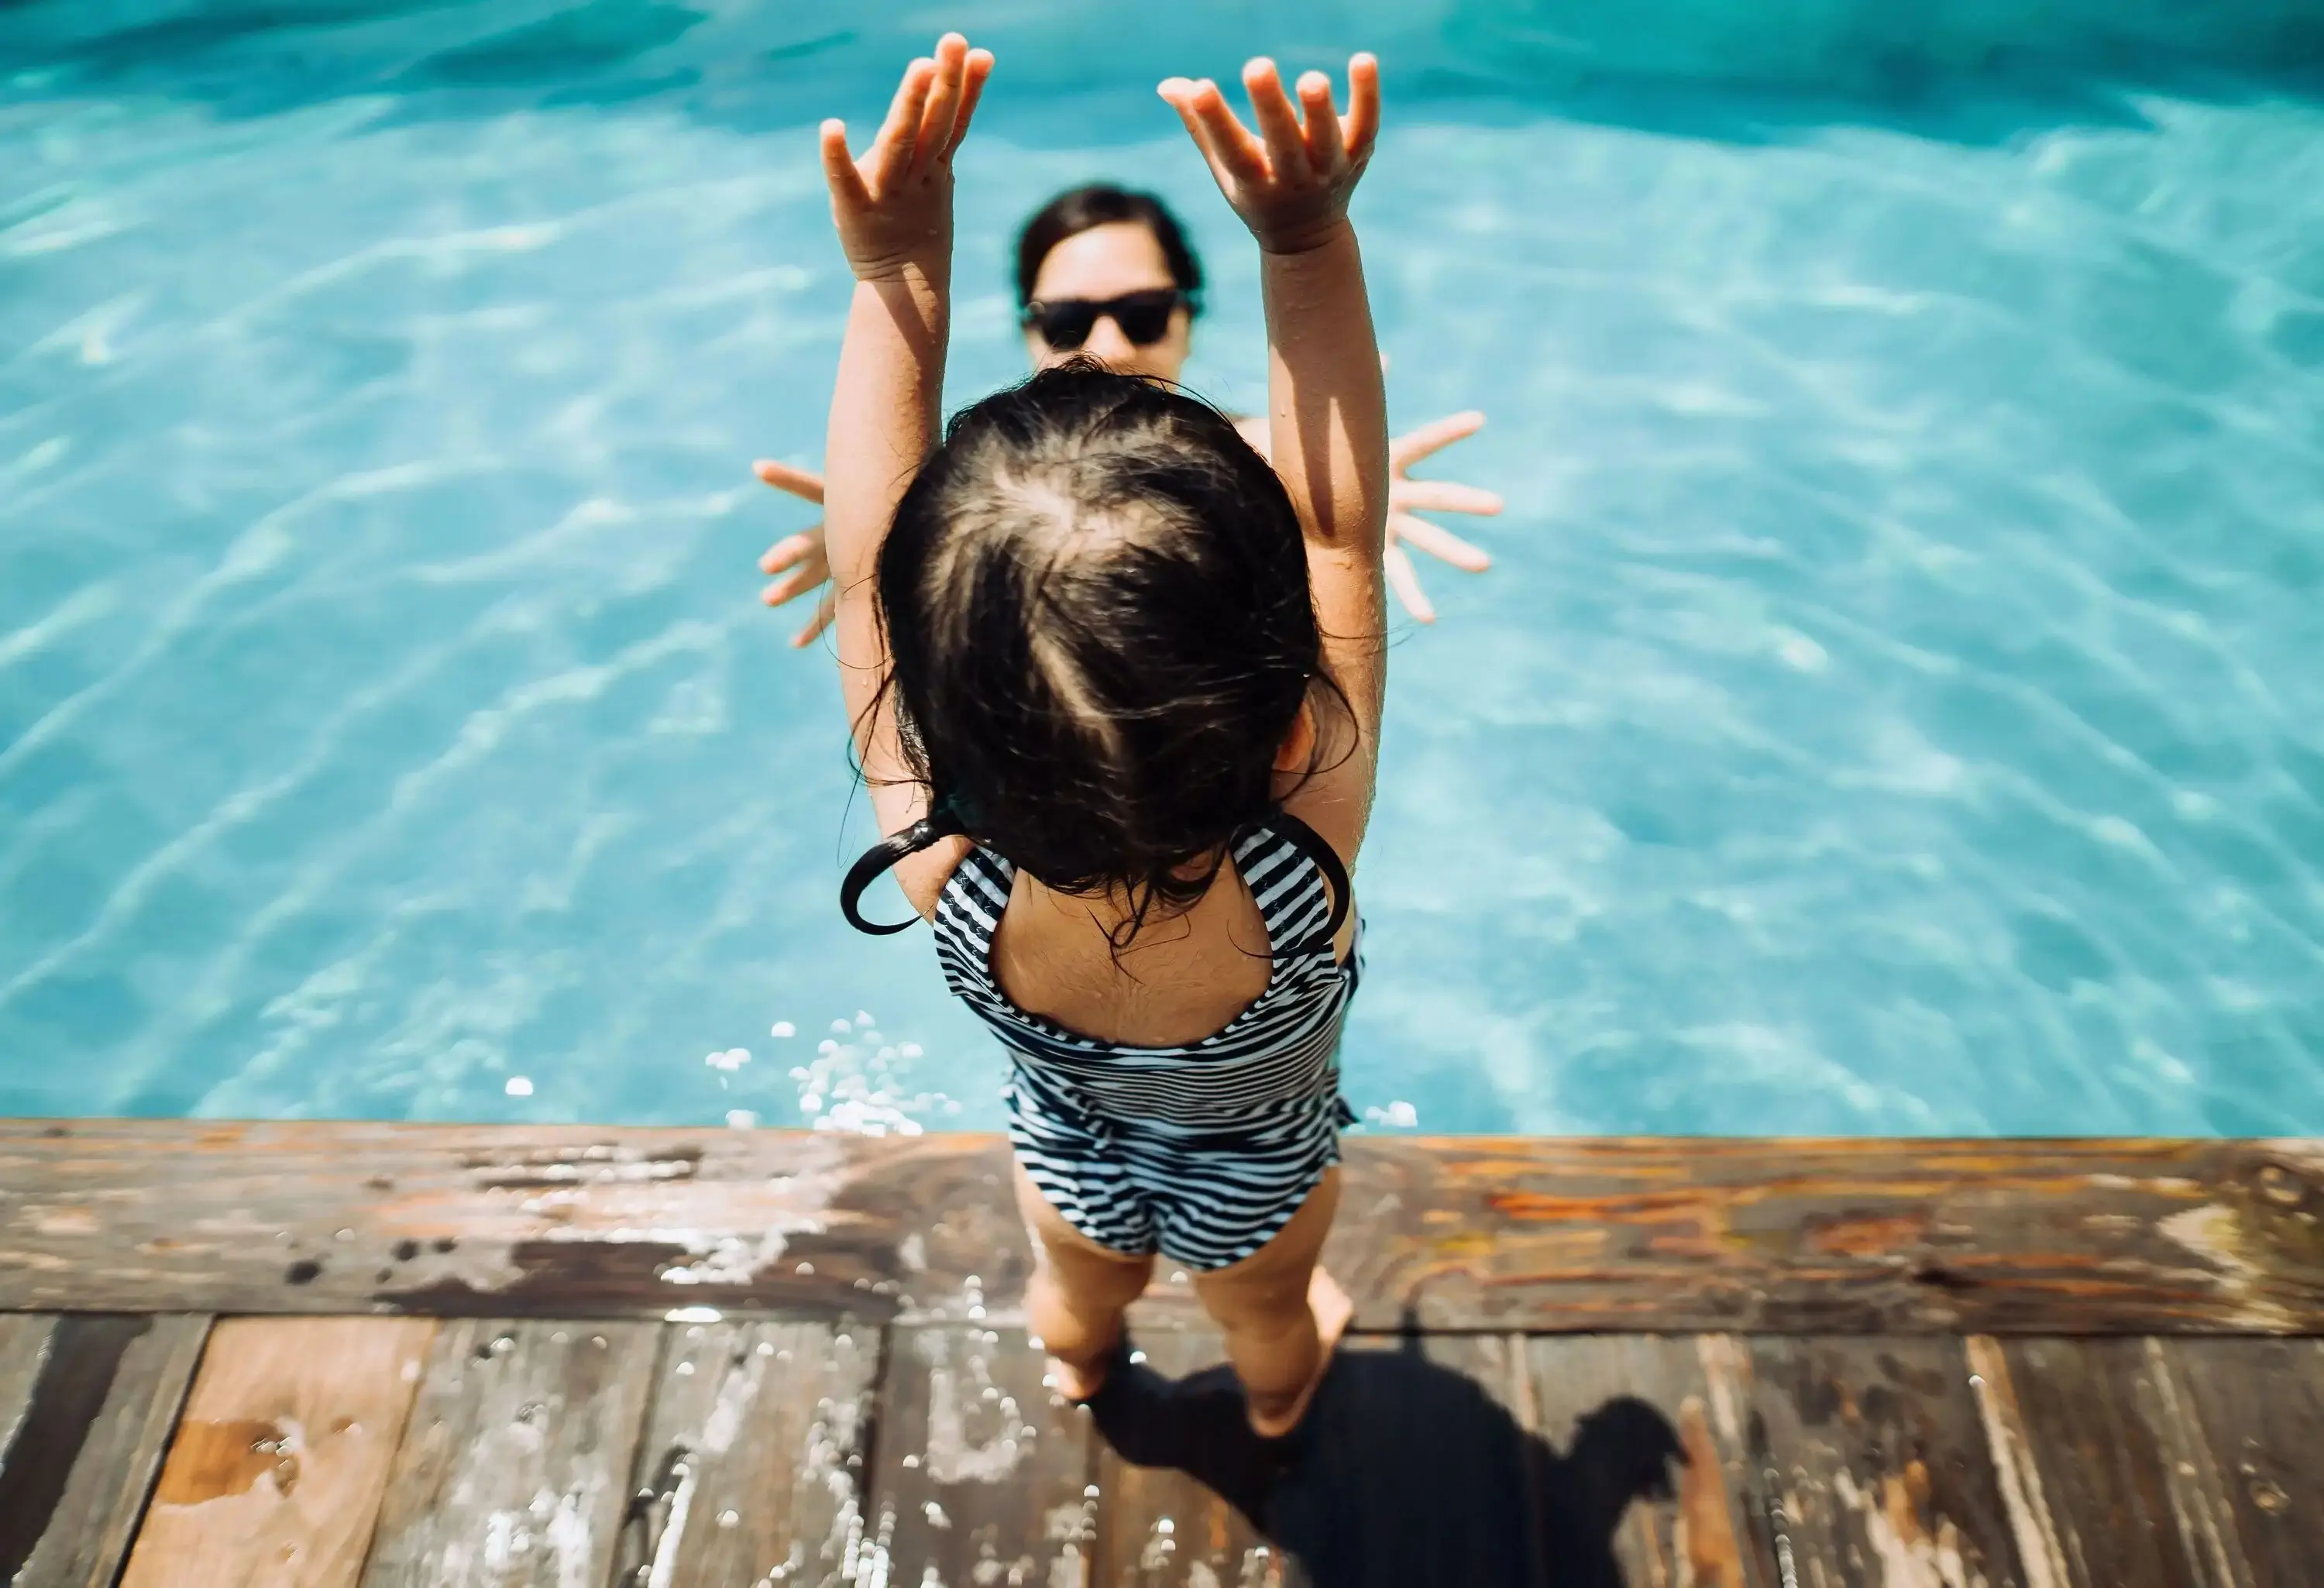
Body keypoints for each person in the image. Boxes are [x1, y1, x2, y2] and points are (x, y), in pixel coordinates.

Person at [812, 33, 1390, 1437]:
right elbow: (1338, 524)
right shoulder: (1302, 846)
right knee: (1268, 1308)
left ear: (932, 715)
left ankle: (1076, 1361)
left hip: (1065, 1136)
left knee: (1075, 1279)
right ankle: (1274, 1400)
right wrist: (1306, 240)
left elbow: (859, 565)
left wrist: (895, 270)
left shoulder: (941, 865)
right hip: (1257, 1159)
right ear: (1278, 708)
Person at [752, 188, 1501, 644]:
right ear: (1027, 328)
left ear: (1188, 316)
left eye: (1142, 313)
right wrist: (880, 544)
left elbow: (1326, 522)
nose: (1107, 347)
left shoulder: (1266, 461)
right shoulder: (973, 495)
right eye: (1069, 320)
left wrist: (1346, 504)